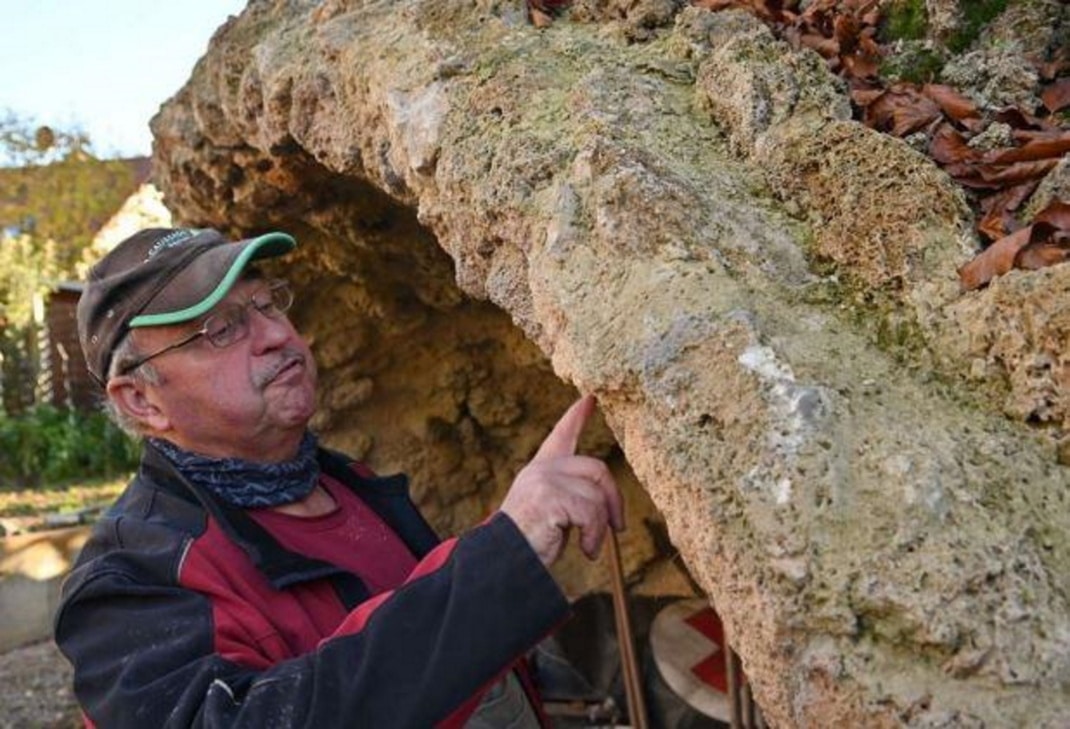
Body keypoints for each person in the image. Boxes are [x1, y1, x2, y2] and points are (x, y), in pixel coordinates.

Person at [54, 227, 623, 728]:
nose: (275, 335)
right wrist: (502, 558)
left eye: (267, 303)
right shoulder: (131, 581)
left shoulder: (348, 484)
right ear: (141, 399)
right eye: (221, 329)